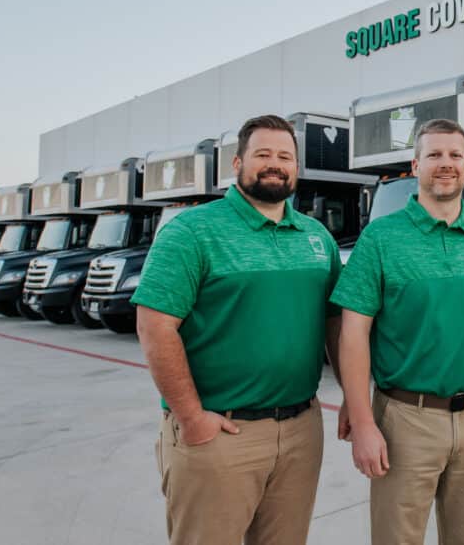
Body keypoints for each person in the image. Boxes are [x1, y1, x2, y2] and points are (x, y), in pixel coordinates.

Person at [133, 114, 342, 545]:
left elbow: (335, 323)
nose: (275, 164)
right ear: (237, 163)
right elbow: (155, 328)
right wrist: (192, 418)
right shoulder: (191, 231)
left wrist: (353, 400)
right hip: (221, 434)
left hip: (301, 430)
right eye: (263, 154)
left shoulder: (317, 237)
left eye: (285, 156)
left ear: (296, 167)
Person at [333, 118, 464, 545]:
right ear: (416, 166)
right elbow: (353, 334)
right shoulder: (381, 238)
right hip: (405, 420)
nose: (445, 163)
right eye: (434, 154)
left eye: (454, 155)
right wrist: (363, 421)